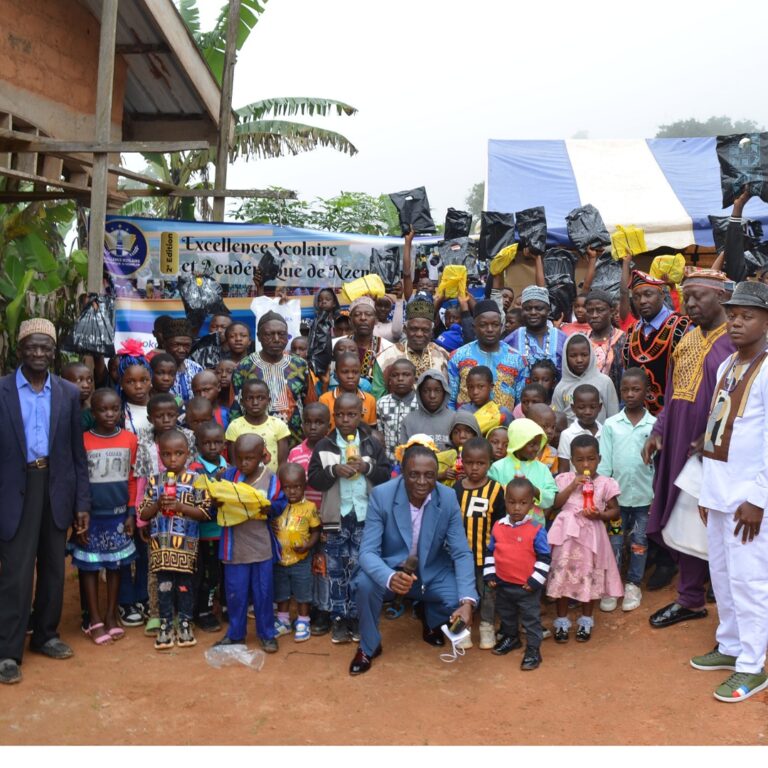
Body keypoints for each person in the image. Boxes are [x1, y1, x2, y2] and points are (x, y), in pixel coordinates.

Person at [0, 319, 90, 685]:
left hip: (56, 487)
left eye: (45, 348)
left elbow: (76, 452)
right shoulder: (3, 390)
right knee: (17, 573)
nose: (38, 354)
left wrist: (81, 501)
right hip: (13, 488)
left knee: (54, 568)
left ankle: (46, 635)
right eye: (32, 347)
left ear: (54, 353)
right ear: (19, 350)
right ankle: (7, 651)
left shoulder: (68, 392)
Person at [642, 269, 736, 618]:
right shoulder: (686, 339)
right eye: (686, 296)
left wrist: (714, 437)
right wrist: (659, 430)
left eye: (698, 296)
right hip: (681, 442)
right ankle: (691, 598)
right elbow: (671, 393)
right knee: (684, 518)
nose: (690, 304)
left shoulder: (737, 342)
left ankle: (711, 596)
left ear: (722, 297)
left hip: (719, 450)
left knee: (713, 521)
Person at [694, 281, 768, 702]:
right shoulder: (727, 365)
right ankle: (731, 645)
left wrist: (758, 498)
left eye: (748, 315)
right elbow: (715, 431)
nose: (737, 321)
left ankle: (752, 666)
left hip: (749, 499)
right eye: (734, 314)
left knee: (750, 580)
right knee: (721, 576)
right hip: (720, 492)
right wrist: (707, 491)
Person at [349, 443, 479, 675]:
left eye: (429, 475)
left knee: (456, 600)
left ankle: (431, 622)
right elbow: (367, 552)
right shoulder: (382, 495)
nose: (422, 482)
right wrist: (389, 577)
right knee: (364, 584)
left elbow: (461, 551)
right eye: (414, 475)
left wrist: (467, 602)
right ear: (402, 472)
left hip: (430, 571)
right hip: (390, 568)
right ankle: (369, 645)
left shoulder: (447, 497)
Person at [308, 393, 391, 644]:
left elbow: (386, 474)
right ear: (334, 416)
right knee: (336, 570)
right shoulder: (325, 445)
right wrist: (334, 470)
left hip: (366, 518)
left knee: (360, 568)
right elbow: (313, 478)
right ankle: (338, 619)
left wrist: (368, 468)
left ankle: (357, 617)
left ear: (361, 414)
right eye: (340, 415)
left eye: (351, 414)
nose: (345, 419)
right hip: (336, 519)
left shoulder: (371, 443)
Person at [71, 389, 138, 646]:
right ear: (93, 412)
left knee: (115, 566)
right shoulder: (84, 440)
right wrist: (79, 512)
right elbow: (78, 480)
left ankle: (111, 615)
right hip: (90, 516)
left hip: (118, 515)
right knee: (89, 566)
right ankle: (95, 618)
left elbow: (132, 480)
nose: (109, 414)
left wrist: (131, 513)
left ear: (121, 410)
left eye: (115, 409)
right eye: (102, 409)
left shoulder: (130, 440)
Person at [138, 429, 212, 650]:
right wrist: (156, 504)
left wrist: (180, 507)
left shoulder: (197, 480)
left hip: (186, 547)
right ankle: (165, 624)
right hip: (161, 547)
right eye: (167, 454)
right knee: (164, 586)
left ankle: (186, 623)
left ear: (187, 454)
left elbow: (206, 512)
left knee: (185, 587)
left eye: (178, 453)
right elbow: (143, 513)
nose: (173, 459)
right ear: (160, 456)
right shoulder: (154, 481)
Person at [547, 435, 623, 643]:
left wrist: (600, 515)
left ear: (599, 458)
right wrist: (573, 485)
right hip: (566, 539)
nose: (586, 464)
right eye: (580, 460)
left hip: (592, 538)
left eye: (591, 459)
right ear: (572, 460)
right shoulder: (563, 479)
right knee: (562, 576)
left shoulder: (605, 483)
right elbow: (555, 504)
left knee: (588, 577)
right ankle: (561, 622)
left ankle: (585, 621)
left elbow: (615, 511)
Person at [216, 434, 286, 653]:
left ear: (262, 455)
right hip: (234, 548)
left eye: (250, 458)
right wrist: (215, 501)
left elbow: (281, 503)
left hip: (261, 548)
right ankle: (236, 634)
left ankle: (266, 634)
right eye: (240, 458)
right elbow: (212, 505)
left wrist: (270, 508)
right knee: (235, 594)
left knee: (264, 594)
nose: (244, 463)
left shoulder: (271, 479)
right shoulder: (228, 476)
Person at [597, 368, 656, 612]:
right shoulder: (611, 425)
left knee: (639, 542)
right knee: (615, 542)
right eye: (625, 389)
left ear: (647, 392)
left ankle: (633, 584)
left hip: (645, 498)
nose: (630, 394)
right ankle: (612, 586)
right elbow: (605, 465)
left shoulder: (654, 425)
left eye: (636, 389)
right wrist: (604, 495)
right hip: (616, 502)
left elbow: (659, 465)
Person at [484, 477, 551, 670]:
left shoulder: (536, 529)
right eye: (511, 502)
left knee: (531, 620)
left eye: (523, 503)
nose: (516, 508)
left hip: (527, 587)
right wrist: (490, 575)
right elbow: (491, 551)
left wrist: (535, 581)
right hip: (503, 584)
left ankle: (533, 650)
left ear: (532, 504)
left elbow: (545, 558)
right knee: (507, 615)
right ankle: (512, 638)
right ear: (505, 502)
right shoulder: (498, 526)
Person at [231, 311, 315, 446]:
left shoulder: (300, 365)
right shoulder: (243, 367)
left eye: (281, 334)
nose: (276, 339)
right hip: (255, 445)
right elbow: (235, 409)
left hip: (295, 443)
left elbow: (310, 405)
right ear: (258, 337)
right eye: (269, 334)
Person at [454, 437, 506, 651]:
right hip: (461, 556)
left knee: (488, 593)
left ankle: (486, 626)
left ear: (489, 463)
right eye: (469, 462)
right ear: (462, 462)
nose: (474, 468)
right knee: (461, 592)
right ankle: (461, 629)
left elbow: (500, 524)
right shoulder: (456, 489)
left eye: (480, 463)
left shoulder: (496, 490)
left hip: (487, 555)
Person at [287, 402, 332, 635]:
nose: (313, 426)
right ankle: (309, 608)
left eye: (319, 422)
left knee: (323, 568)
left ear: (328, 425)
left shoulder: (332, 452)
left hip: (325, 523)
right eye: (308, 422)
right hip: (302, 524)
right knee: (306, 568)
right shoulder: (295, 453)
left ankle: (324, 612)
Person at [622, 270, 690, 416]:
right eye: (637, 297)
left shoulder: (682, 328)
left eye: (648, 294)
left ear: (662, 295)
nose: (642, 301)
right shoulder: (631, 331)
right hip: (637, 421)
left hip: (672, 418)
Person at [447, 300, 528, 412]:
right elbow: (450, 401)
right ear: (474, 327)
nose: (490, 330)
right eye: (483, 325)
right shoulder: (458, 356)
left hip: (505, 425)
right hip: (467, 425)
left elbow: (521, 404)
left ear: (501, 326)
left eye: (495, 325)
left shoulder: (517, 359)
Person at [272, 463, 322, 643]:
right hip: (280, 558)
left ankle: (303, 620)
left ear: (304, 485)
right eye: (287, 487)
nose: (292, 491)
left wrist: (308, 545)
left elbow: (316, 530)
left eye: (297, 486)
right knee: (281, 591)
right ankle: (283, 619)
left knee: (303, 591)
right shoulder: (277, 506)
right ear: (281, 486)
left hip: (301, 559)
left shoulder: (309, 507)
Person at [187, 420, 229, 632]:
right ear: (198, 445)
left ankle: (227, 606)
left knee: (227, 571)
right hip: (207, 533)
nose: (213, 447)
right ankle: (203, 610)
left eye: (217, 442)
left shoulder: (229, 467)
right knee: (208, 573)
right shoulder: (195, 470)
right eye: (207, 443)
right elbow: (195, 502)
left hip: (227, 532)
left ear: (224, 444)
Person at [489, 418, 557, 524]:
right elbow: (492, 496)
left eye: (538, 444)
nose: (536, 448)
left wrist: (534, 490)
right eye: (531, 444)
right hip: (506, 526)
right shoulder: (498, 467)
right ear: (518, 443)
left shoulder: (542, 469)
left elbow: (551, 497)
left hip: (534, 527)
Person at [374, 296, 448, 392]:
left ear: (431, 331)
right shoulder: (385, 357)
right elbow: (378, 397)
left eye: (425, 330)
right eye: (414, 329)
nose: (419, 334)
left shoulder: (443, 355)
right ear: (405, 329)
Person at [553, 333, 619, 424]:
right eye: (573, 356)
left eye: (584, 355)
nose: (579, 360)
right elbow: (557, 421)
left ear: (591, 355)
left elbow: (614, 418)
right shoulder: (560, 388)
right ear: (565, 357)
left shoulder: (605, 382)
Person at [226, 379, 290, 473]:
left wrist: (275, 484)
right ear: (242, 402)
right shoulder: (235, 426)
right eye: (249, 398)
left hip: (272, 483)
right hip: (243, 484)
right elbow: (234, 464)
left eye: (260, 398)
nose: (255, 403)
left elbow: (283, 463)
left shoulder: (278, 425)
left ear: (268, 401)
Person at [504, 285, 567, 374]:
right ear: (522, 311)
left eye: (539, 308)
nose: (533, 312)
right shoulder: (512, 339)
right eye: (527, 309)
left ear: (548, 311)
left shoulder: (562, 339)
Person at [344, 296, 392, 398]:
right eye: (357, 314)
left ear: (375, 320)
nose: (363, 318)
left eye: (368, 314)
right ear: (350, 321)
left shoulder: (388, 348)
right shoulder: (338, 345)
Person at [319, 352, 377, 431]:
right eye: (345, 372)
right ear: (336, 374)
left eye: (355, 372)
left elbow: (371, 430)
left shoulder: (370, 400)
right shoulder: (325, 399)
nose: (350, 376)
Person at [399, 369, 455, 451]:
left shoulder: (454, 419)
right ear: (419, 393)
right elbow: (404, 454)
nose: (432, 396)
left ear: (444, 392)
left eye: (437, 390)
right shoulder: (409, 420)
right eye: (426, 391)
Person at [376, 358, 419, 465]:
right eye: (395, 375)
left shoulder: (421, 403)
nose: (400, 379)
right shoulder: (382, 403)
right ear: (390, 379)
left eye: (406, 375)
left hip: (415, 461)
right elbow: (380, 433)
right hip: (389, 461)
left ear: (414, 378)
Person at [585, 289, 626, 396]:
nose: (594, 315)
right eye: (590, 311)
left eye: (600, 310)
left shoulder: (624, 340)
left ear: (611, 311)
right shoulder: (581, 339)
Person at [557, 384, 603, 474]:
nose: (587, 412)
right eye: (582, 407)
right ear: (573, 408)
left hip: (604, 486)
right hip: (576, 486)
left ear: (600, 407)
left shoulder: (605, 431)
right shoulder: (567, 435)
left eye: (592, 407)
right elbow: (563, 470)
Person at [459, 365, 514, 434]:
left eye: (481, 386)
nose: (475, 392)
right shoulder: (463, 412)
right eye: (471, 387)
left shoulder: (502, 413)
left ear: (491, 387)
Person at [164, 319, 204, 402]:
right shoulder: (156, 368)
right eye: (176, 345)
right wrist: (181, 404)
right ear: (165, 344)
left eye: (187, 345)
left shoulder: (197, 368)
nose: (182, 350)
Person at [61, 361, 95, 430]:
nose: (86, 385)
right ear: (63, 382)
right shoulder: (58, 412)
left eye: (89, 380)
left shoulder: (93, 413)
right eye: (79, 380)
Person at [528, 403, 559, 476]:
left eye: (553, 427)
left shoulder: (553, 453)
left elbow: (553, 479)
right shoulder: (522, 451)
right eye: (544, 427)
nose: (550, 431)